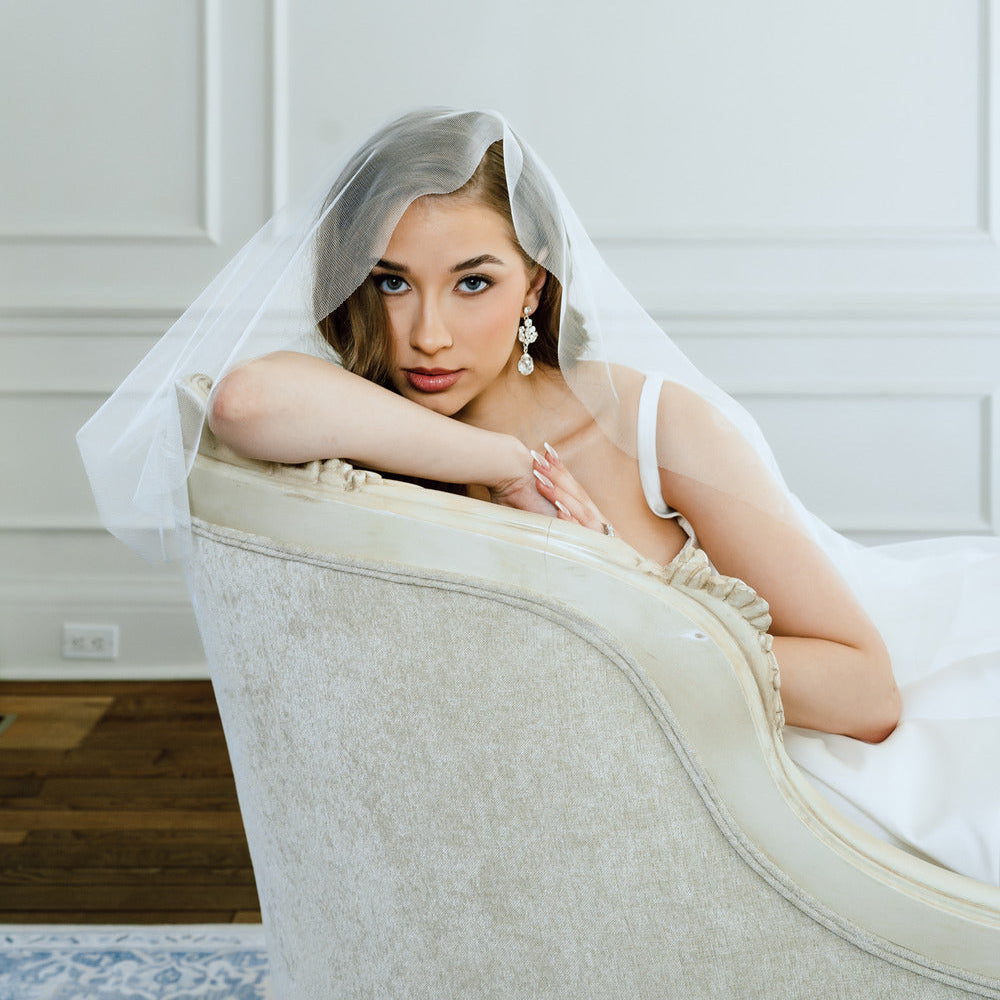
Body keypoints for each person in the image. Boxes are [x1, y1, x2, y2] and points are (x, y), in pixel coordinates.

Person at [78, 108, 1000, 886]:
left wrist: (621, 585)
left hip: (824, 754)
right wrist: (501, 459)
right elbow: (245, 401)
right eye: (390, 281)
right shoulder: (377, 429)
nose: (426, 334)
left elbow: (867, 694)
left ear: (536, 286)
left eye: (473, 282)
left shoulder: (653, 426)